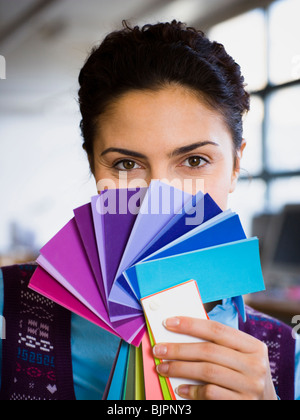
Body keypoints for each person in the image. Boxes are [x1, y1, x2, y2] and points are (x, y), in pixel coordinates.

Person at [0, 20, 299, 400]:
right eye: (127, 164)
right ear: (94, 167)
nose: (159, 197)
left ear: (236, 166)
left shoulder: (289, 355)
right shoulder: (5, 307)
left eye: (194, 161)